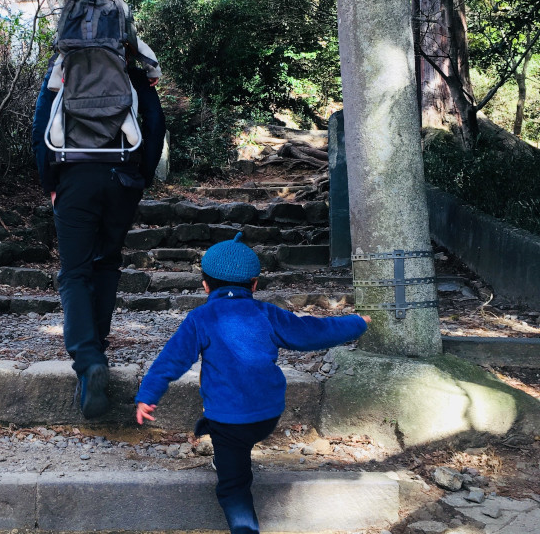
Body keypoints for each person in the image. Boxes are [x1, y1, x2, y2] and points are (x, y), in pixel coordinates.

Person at [135, 232, 370, 534]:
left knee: (233, 486)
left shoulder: (201, 318)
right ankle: (218, 438)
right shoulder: (268, 313)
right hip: (267, 414)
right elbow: (312, 331)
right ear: (255, 285)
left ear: (205, 285)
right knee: (235, 430)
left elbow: (171, 361)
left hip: (229, 422)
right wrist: (356, 323)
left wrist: (147, 396)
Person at [31, 29, 166, 420]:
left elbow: (42, 127)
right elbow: (154, 123)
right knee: (106, 263)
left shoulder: (63, 70)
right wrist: (144, 176)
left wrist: (50, 183)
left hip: (73, 178)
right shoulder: (131, 72)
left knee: (74, 273)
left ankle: (89, 361)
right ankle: (97, 349)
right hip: (122, 177)